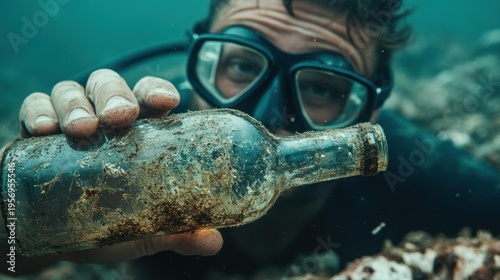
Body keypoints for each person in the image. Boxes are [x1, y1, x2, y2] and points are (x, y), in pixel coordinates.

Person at [4, 0, 500, 278]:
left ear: (368, 109)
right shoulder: (128, 142)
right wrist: (12, 228)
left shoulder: (415, 166)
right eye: (243, 64)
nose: (263, 116)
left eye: (321, 87)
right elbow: (12, 256)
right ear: (200, 62)